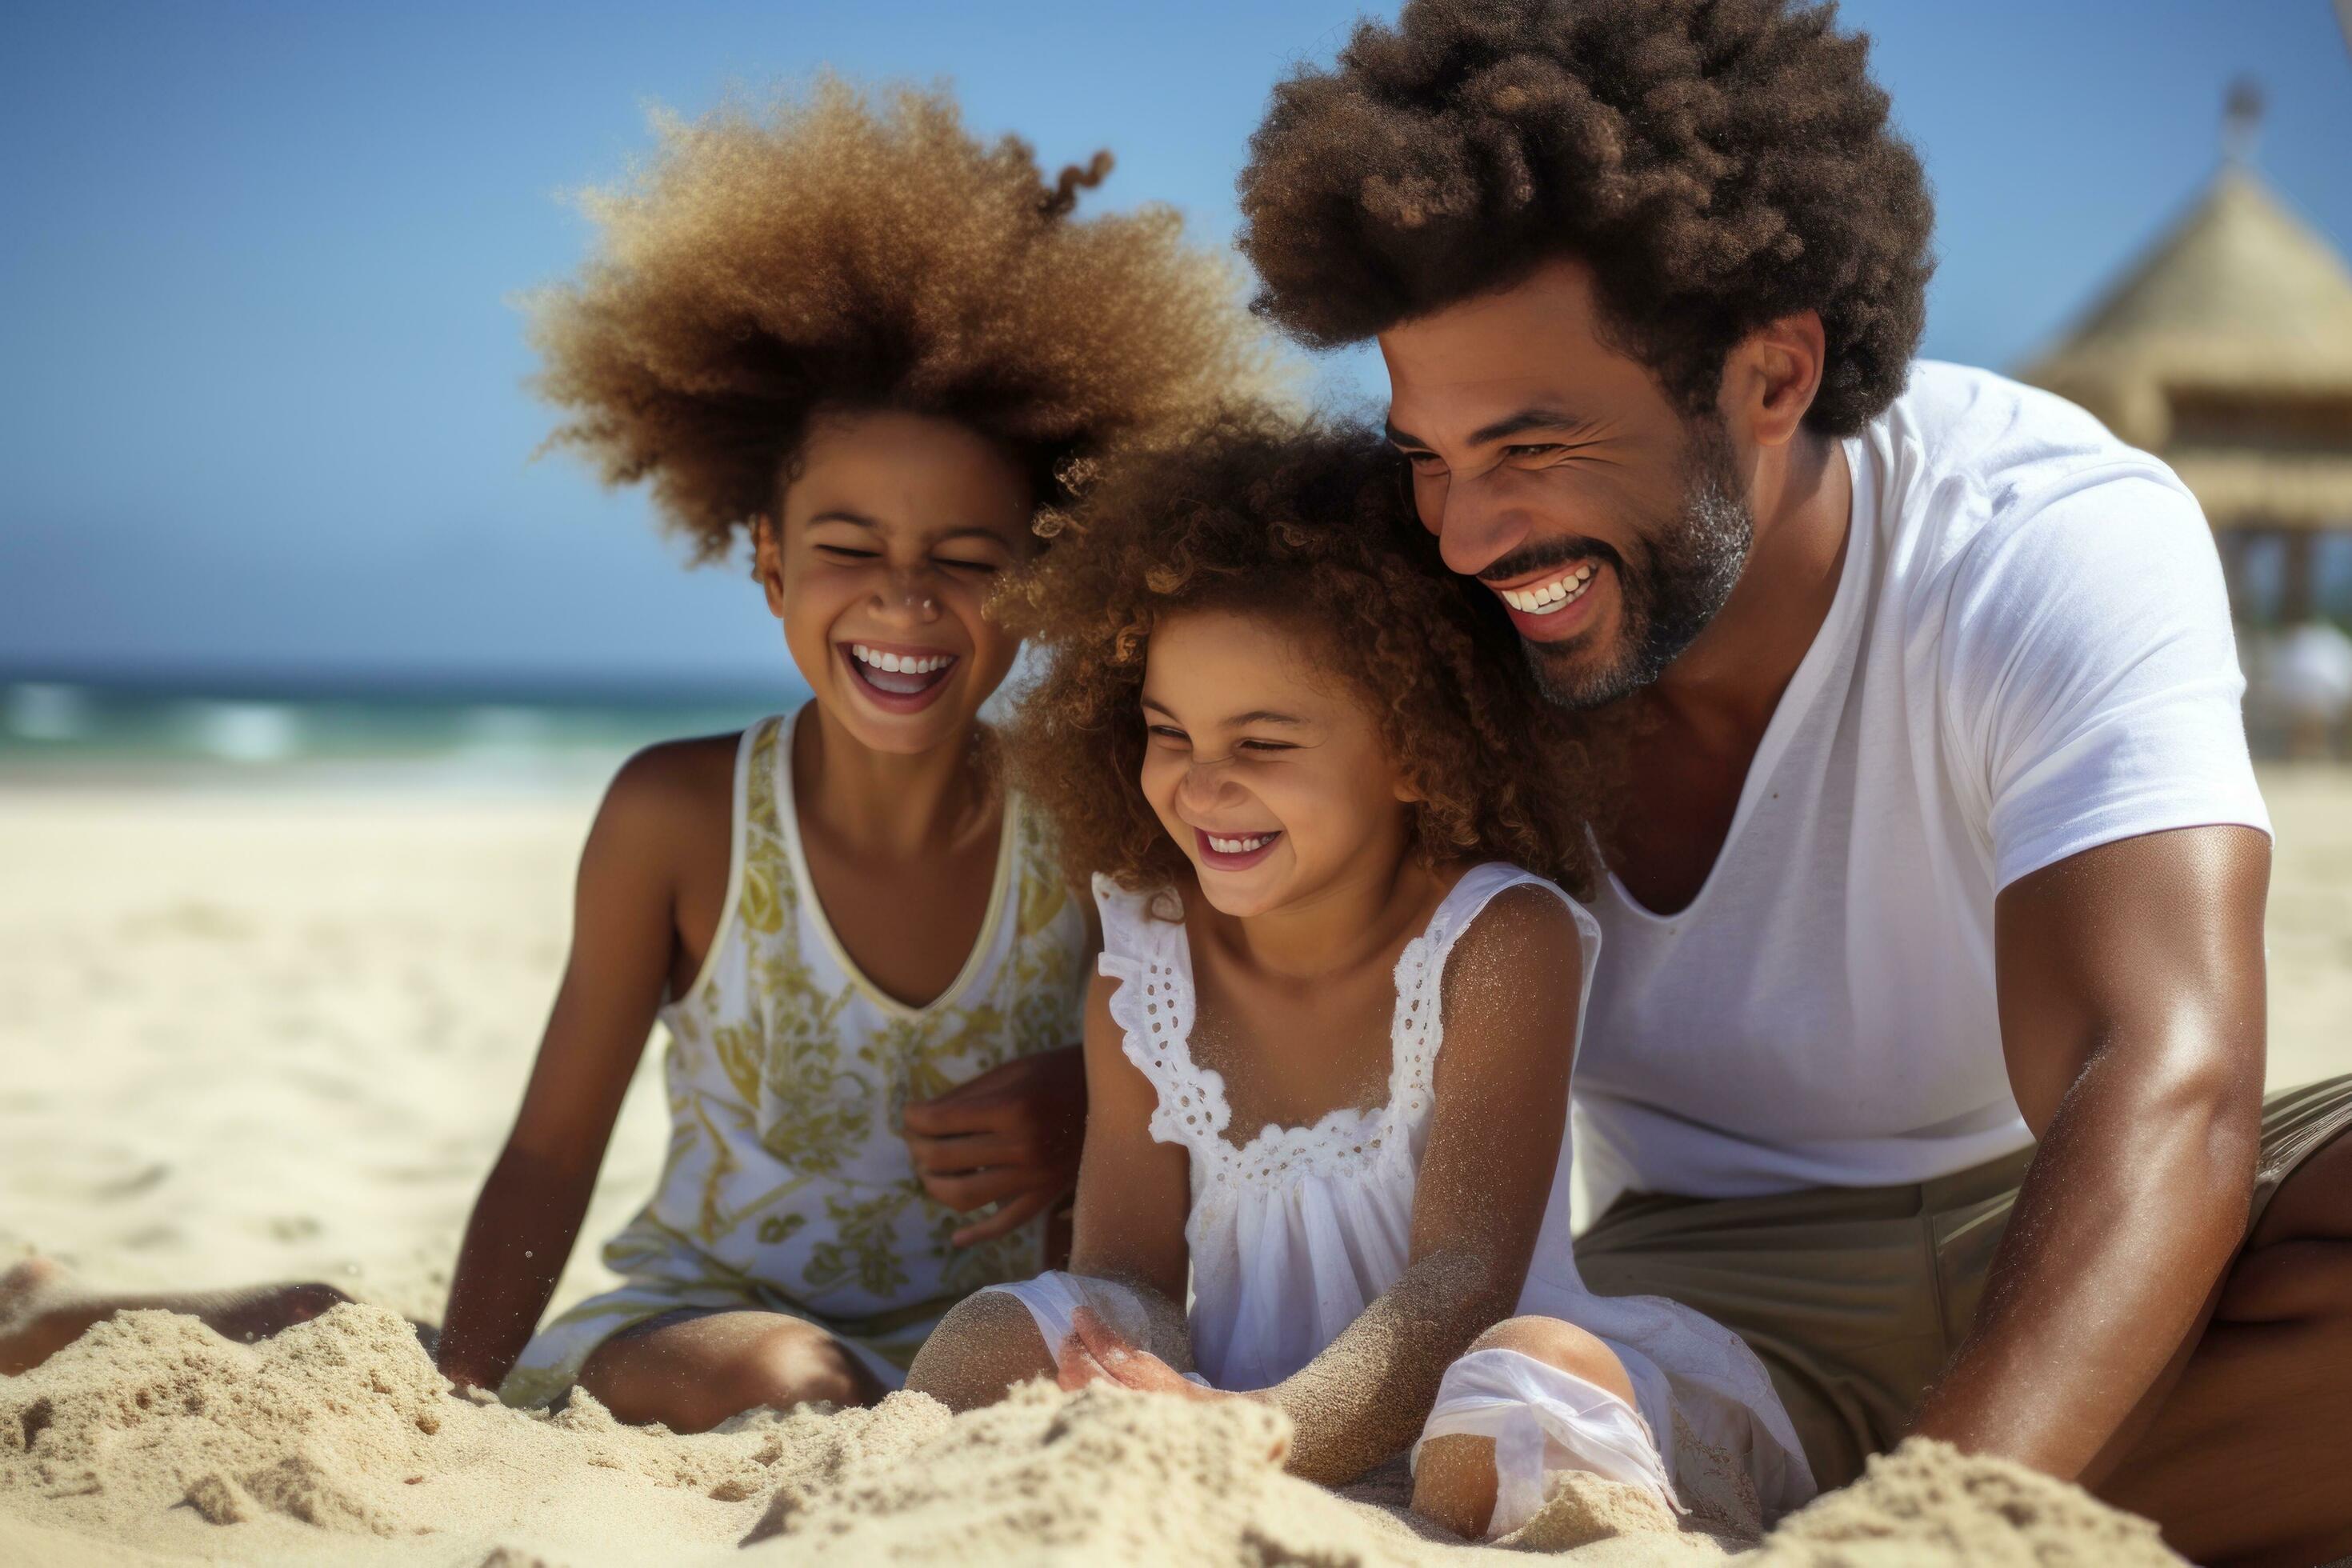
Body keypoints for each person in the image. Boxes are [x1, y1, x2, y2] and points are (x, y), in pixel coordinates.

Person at [1230, 4, 2352, 1563]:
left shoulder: (2039, 530)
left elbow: (2161, 1071)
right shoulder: (1426, 623)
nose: (1469, 533)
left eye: (1535, 443)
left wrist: (1931, 1533)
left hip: (2087, 1232)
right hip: (1711, 1294)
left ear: (1772, 374)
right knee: (1536, 1403)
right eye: (1428, 453)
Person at [905, 414, 1815, 1540]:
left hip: (1457, 1381)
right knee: (1007, 1328)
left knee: (1519, 1388)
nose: (1201, 786)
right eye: (1167, 732)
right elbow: (1127, 1272)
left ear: (1410, 746)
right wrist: (1120, 1370)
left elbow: (1463, 1279)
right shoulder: (1144, 959)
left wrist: (1259, 1432)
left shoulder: (1496, 939)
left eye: (1264, 745)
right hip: (1227, 1404)